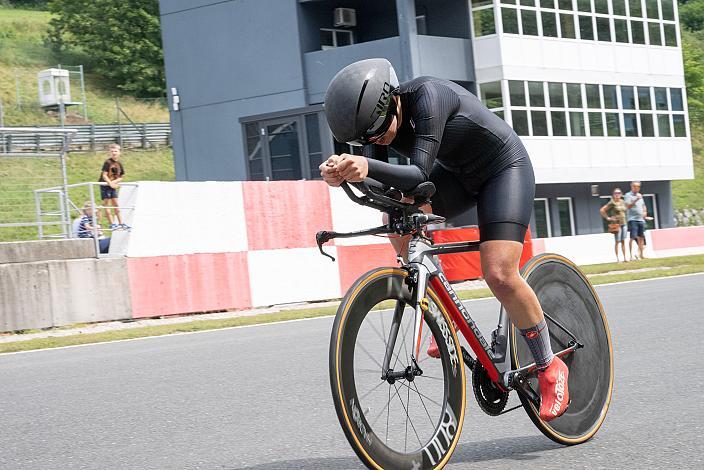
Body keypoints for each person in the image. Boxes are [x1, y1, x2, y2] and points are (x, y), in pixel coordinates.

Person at [320, 58, 568, 421]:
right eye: (367, 140)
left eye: (378, 131)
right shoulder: (376, 125)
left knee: (498, 273)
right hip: (457, 175)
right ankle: (440, 309)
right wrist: (344, 175)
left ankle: (549, 367)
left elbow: (418, 172)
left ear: (392, 100)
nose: (376, 141)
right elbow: (387, 187)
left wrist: (367, 167)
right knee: (394, 215)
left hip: (503, 169)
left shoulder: (427, 97)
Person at [99, 143, 128, 230]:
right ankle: (112, 224)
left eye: (116, 151)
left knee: (116, 204)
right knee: (107, 204)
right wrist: (110, 183)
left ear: (119, 152)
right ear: (109, 152)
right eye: (112, 151)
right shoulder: (108, 162)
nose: (114, 153)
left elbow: (121, 177)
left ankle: (121, 223)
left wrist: (114, 182)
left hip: (112, 185)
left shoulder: (119, 164)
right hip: (105, 185)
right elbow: (104, 175)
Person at [600, 188, 628, 262]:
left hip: (624, 223)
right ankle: (618, 259)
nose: (617, 194)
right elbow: (602, 210)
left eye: (619, 193)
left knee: (623, 241)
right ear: (613, 194)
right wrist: (608, 218)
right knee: (617, 241)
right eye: (616, 193)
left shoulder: (622, 201)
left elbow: (625, 210)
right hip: (617, 224)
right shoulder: (612, 202)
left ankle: (625, 258)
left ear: (621, 194)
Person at [624, 181, 648, 260]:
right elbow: (628, 206)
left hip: (640, 219)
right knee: (632, 237)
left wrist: (645, 212)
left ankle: (641, 255)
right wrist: (636, 199)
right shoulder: (628, 195)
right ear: (631, 186)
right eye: (635, 186)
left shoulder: (640, 195)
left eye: (638, 186)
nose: (636, 188)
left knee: (641, 237)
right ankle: (630, 256)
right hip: (632, 219)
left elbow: (643, 205)